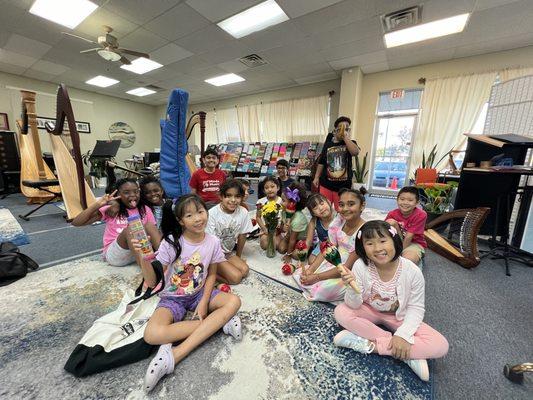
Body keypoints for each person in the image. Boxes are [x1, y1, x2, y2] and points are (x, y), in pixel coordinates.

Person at [132, 194, 242, 393]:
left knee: (234, 301)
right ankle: (216, 324)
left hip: (199, 294)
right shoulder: (171, 242)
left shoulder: (213, 241)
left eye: (200, 212)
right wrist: (143, 258)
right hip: (173, 299)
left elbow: (212, 274)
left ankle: (174, 354)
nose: (198, 218)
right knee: (152, 334)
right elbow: (152, 282)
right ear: (180, 220)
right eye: (190, 215)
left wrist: (204, 301)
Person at [333, 220, 448, 381]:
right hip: (369, 309)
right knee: (341, 312)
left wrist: (402, 335)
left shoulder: (412, 271)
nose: (378, 248)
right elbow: (354, 304)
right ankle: (404, 353)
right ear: (362, 248)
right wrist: (352, 287)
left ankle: (372, 346)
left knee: (440, 345)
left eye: (382, 241)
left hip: (399, 316)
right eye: (370, 243)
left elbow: (416, 308)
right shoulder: (360, 266)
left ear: (394, 241)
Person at [293, 188, 366, 302]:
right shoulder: (339, 221)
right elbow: (328, 247)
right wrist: (311, 270)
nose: (345, 209)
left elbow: (347, 267)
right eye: (341, 205)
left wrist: (317, 277)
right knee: (301, 274)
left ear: (362, 205)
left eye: (351, 204)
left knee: (322, 291)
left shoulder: (364, 232)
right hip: (334, 258)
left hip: (348, 270)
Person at [72, 178, 161, 267]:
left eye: (136, 191)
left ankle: (164, 262)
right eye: (126, 192)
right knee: (130, 229)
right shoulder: (112, 209)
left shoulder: (145, 209)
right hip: (116, 255)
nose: (133, 195)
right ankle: (149, 273)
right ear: (118, 194)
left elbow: (153, 233)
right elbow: (76, 222)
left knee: (150, 226)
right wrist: (98, 204)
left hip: (139, 251)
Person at [206, 179, 254, 284]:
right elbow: (209, 243)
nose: (233, 200)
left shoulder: (243, 212)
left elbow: (242, 236)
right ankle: (208, 273)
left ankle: (221, 269)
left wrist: (238, 256)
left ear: (242, 198)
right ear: (221, 196)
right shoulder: (212, 214)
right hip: (213, 255)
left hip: (228, 252)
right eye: (228, 196)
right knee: (236, 278)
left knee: (244, 270)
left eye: (237, 196)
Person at [313, 116, 360, 210]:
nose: (343, 130)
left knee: (342, 211)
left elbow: (355, 152)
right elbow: (322, 161)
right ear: (335, 130)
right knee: (325, 208)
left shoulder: (351, 143)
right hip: (326, 184)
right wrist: (316, 177)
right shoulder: (328, 144)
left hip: (343, 186)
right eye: (341, 128)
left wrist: (345, 138)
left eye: (346, 128)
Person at [385, 186, 427, 264]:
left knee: (406, 261)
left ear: (417, 203)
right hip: (397, 241)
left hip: (414, 243)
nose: (405, 203)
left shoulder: (421, 214)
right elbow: (383, 231)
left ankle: (417, 258)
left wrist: (399, 253)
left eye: (410, 200)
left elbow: (409, 237)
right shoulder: (392, 213)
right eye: (402, 199)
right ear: (397, 200)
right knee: (390, 222)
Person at [278, 182, 308, 263]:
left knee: (295, 256)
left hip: (302, 238)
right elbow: (282, 229)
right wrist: (283, 227)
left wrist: (288, 255)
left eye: (283, 201)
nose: (281, 203)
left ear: (292, 203)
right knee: (281, 249)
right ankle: (293, 247)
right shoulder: (283, 212)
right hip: (291, 234)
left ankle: (309, 248)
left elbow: (292, 240)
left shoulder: (298, 219)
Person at [305, 193, 336, 264]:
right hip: (322, 245)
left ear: (329, 202)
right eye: (315, 208)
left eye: (322, 204)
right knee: (311, 261)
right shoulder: (314, 221)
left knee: (333, 261)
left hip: (337, 245)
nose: (321, 208)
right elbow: (308, 241)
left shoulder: (337, 217)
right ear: (313, 213)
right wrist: (302, 258)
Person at [256, 176, 283, 251]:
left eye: (272, 186)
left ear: (278, 188)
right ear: (264, 190)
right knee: (265, 245)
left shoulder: (281, 201)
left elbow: (284, 216)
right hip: (265, 229)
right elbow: (258, 217)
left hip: (278, 230)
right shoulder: (260, 202)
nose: (270, 189)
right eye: (266, 188)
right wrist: (264, 229)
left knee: (277, 245)